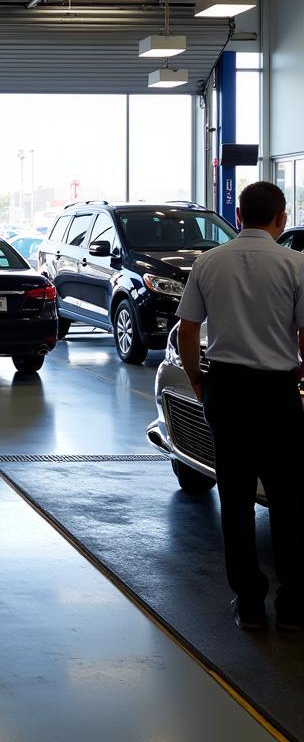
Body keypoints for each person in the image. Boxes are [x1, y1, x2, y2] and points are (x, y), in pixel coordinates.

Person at [177, 181, 304, 631]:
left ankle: (249, 605)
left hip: (226, 391)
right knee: (289, 502)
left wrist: (197, 379)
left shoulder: (208, 263)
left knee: (235, 501)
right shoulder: (296, 264)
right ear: (281, 218)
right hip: (278, 392)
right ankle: (293, 607)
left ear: (236, 214)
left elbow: (187, 332)